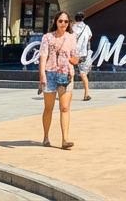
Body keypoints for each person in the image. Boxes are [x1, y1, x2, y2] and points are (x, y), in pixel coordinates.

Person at [37, 11, 78, 149]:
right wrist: (42, 74)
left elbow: (75, 56)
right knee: (48, 108)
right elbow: (43, 56)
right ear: (55, 21)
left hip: (66, 74)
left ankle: (65, 139)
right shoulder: (48, 37)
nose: (63, 24)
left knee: (65, 107)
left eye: (66, 22)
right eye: (61, 21)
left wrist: (74, 60)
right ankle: (46, 137)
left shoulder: (72, 38)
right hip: (50, 74)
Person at [71, 11, 93, 102]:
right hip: (83, 54)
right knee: (83, 74)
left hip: (73, 53)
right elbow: (90, 37)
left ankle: (69, 94)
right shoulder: (86, 27)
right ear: (83, 18)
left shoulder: (72, 27)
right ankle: (86, 94)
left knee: (71, 73)